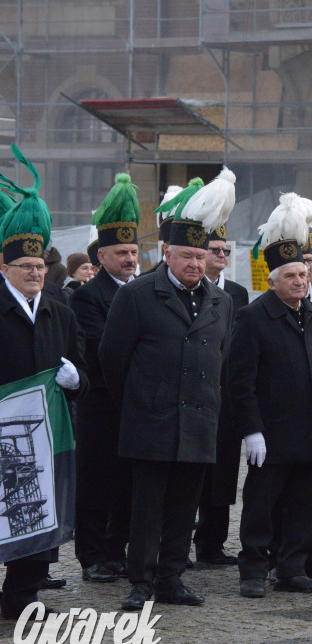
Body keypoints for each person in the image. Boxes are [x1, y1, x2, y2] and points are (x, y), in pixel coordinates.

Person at [100, 207, 232, 611]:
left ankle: (172, 577)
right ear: (165, 253)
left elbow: (221, 358)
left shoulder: (221, 301)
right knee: (147, 507)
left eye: (200, 257)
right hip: (150, 420)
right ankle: (141, 580)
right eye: (186, 256)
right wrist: (144, 400)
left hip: (198, 420)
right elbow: (112, 359)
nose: (195, 263)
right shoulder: (137, 294)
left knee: (183, 507)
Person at [229, 194, 312, 598]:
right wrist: (251, 431)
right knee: (262, 506)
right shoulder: (253, 316)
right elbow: (240, 381)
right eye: (292, 276)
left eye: (303, 274)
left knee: (305, 506)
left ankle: (292, 568)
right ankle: (252, 570)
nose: (301, 281)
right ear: (274, 280)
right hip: (274, 434)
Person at [0, 149, 88, 620]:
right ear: (4, 266)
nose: (35, 272)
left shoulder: (61, 312)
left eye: (40, 265)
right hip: (2, 430)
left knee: (37, 509)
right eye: (25, 266)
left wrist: (76, 381)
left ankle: (22, 598)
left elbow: (85, 373)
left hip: (46, 433)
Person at [70, 173, 142, 584]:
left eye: (134, 250)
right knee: (97, 484)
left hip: (136, 407)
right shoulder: (87, 297)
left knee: (128, 484)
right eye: (121, 252)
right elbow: (101, 347)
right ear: (102, 258)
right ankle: (93, 555)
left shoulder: (145, 290)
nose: (131, 259)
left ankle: (118, 551)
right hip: (100, 406)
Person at [192, 220, 250, 567]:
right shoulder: (192, 288)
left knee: (222, 475)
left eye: (226, 250)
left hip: (225, 396)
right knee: (191, 475)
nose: (222, 255)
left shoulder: (238, 293)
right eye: (216, 250)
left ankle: (213, 543)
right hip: (197, 392)